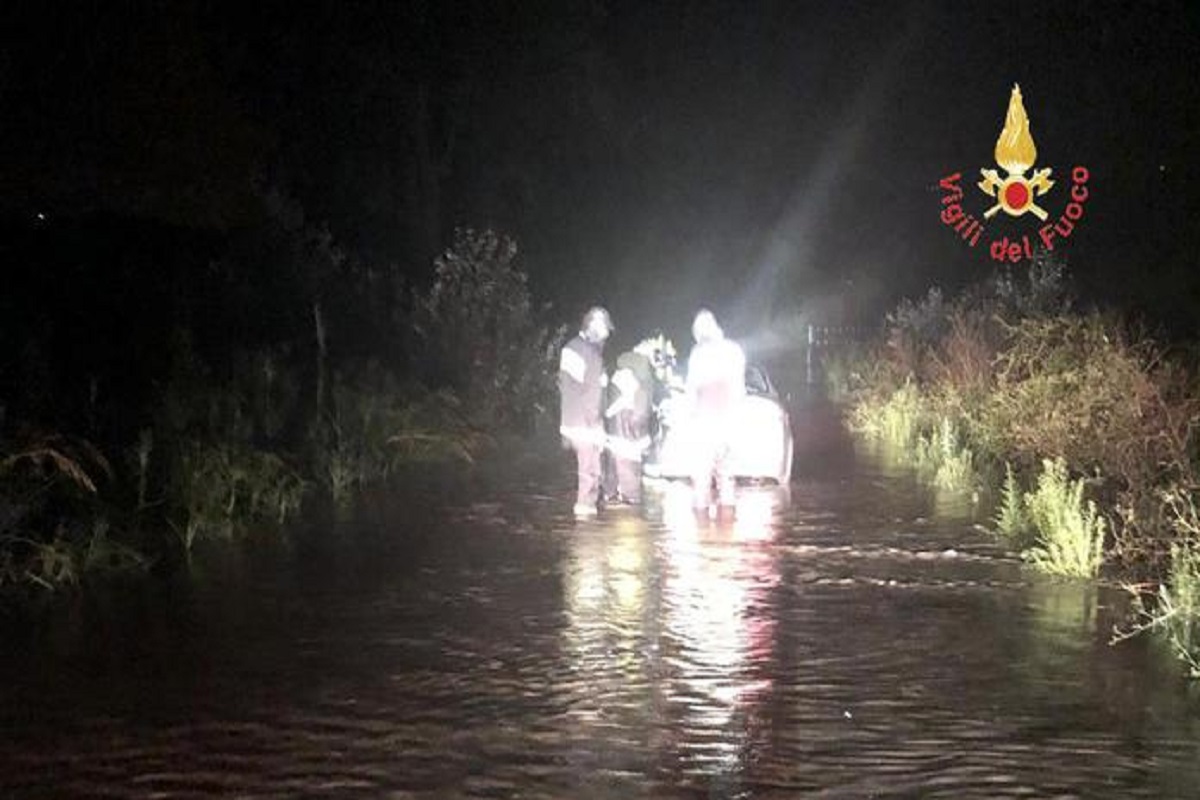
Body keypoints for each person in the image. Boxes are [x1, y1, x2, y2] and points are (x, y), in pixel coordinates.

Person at [684, 308, 745, 513]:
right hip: (728, 422)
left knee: (701, 480)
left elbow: (691, 390)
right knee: (726, 480)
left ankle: (703, 536)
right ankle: (726, 536)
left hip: (705, 422)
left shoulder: (698, 354)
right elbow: (740, 389)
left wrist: (689, 415)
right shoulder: (733, 350)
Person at [559, 306, 613, 517]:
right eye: (603, 330)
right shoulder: (588, 353)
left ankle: (585, 517)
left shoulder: (572, 348)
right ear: (591, 325)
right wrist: (596, 427)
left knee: (590, 471)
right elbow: (591, 394)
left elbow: (567, 387)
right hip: (586, 424)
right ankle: (585, 527)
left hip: (574, 421)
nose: (605, 335)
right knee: (590, 473)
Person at [603, 337, 658, 505]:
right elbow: (640, 402)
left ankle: (609, 500)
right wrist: (644, 436)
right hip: (629, 429)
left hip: (614, 427)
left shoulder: (623, 365)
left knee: (612, 474)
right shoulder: (642, 367)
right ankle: (629, 519)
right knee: (630, 482)